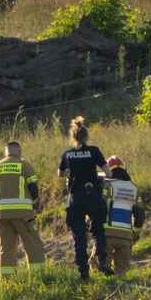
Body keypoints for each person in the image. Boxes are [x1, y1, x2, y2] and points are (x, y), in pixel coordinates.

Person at [58, 117, 114, 279]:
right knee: (97, 230)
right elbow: (108, 173)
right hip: (93, 197)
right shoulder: (94, 151)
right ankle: (102, 260)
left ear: (73, 137)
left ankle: (83, 272)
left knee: (80, 236)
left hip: (75, 198)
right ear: (86, 137)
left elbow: (60, 173)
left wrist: (72, 173)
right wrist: (98, 175)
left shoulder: (67, 154)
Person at [0, 141, 46, 276]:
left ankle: (6, 279)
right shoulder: (24, 165)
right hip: (23, 214)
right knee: (33, 244)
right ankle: (37, 277)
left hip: (1, 215)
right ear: (19, 152)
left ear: (6, 153)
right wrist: (35, 203)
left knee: (6, 248)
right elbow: (33, 187)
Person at [102, 156, 146, 275]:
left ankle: (100, 292)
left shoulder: (106, 185)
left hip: (106, 235)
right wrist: (135, 235)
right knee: (121, 274)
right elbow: (140, 215)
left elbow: (98, 207)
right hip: (126, 237)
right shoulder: (134, 189)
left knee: (99, 270)